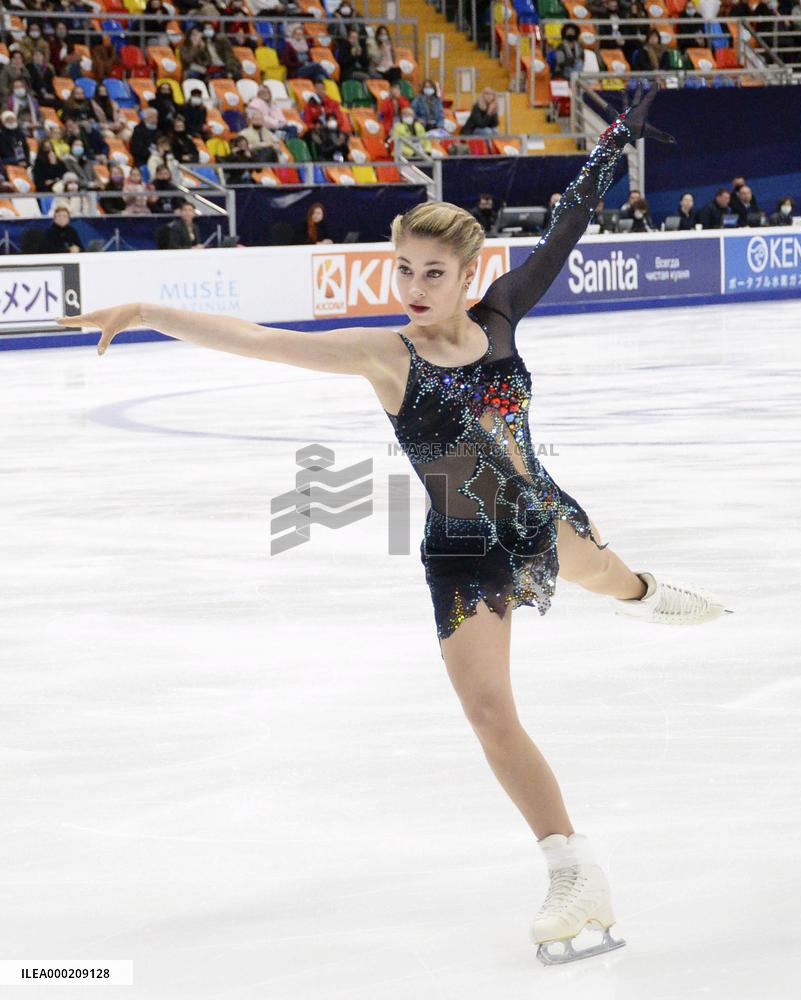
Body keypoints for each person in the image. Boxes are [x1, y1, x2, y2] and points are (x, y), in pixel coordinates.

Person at [59, 85, 730, 967]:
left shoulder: (500, 319)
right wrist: (147, 311)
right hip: (459, 544)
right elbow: (257, 339)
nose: (413, 289)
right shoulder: (385, 354)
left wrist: (610, 144)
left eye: (432, 274)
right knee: (489, 711)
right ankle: (574, 868)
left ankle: (644, 592)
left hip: (536, 517)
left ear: (468, 271)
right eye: (403, 271)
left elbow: (567, 227)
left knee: (609, 579)